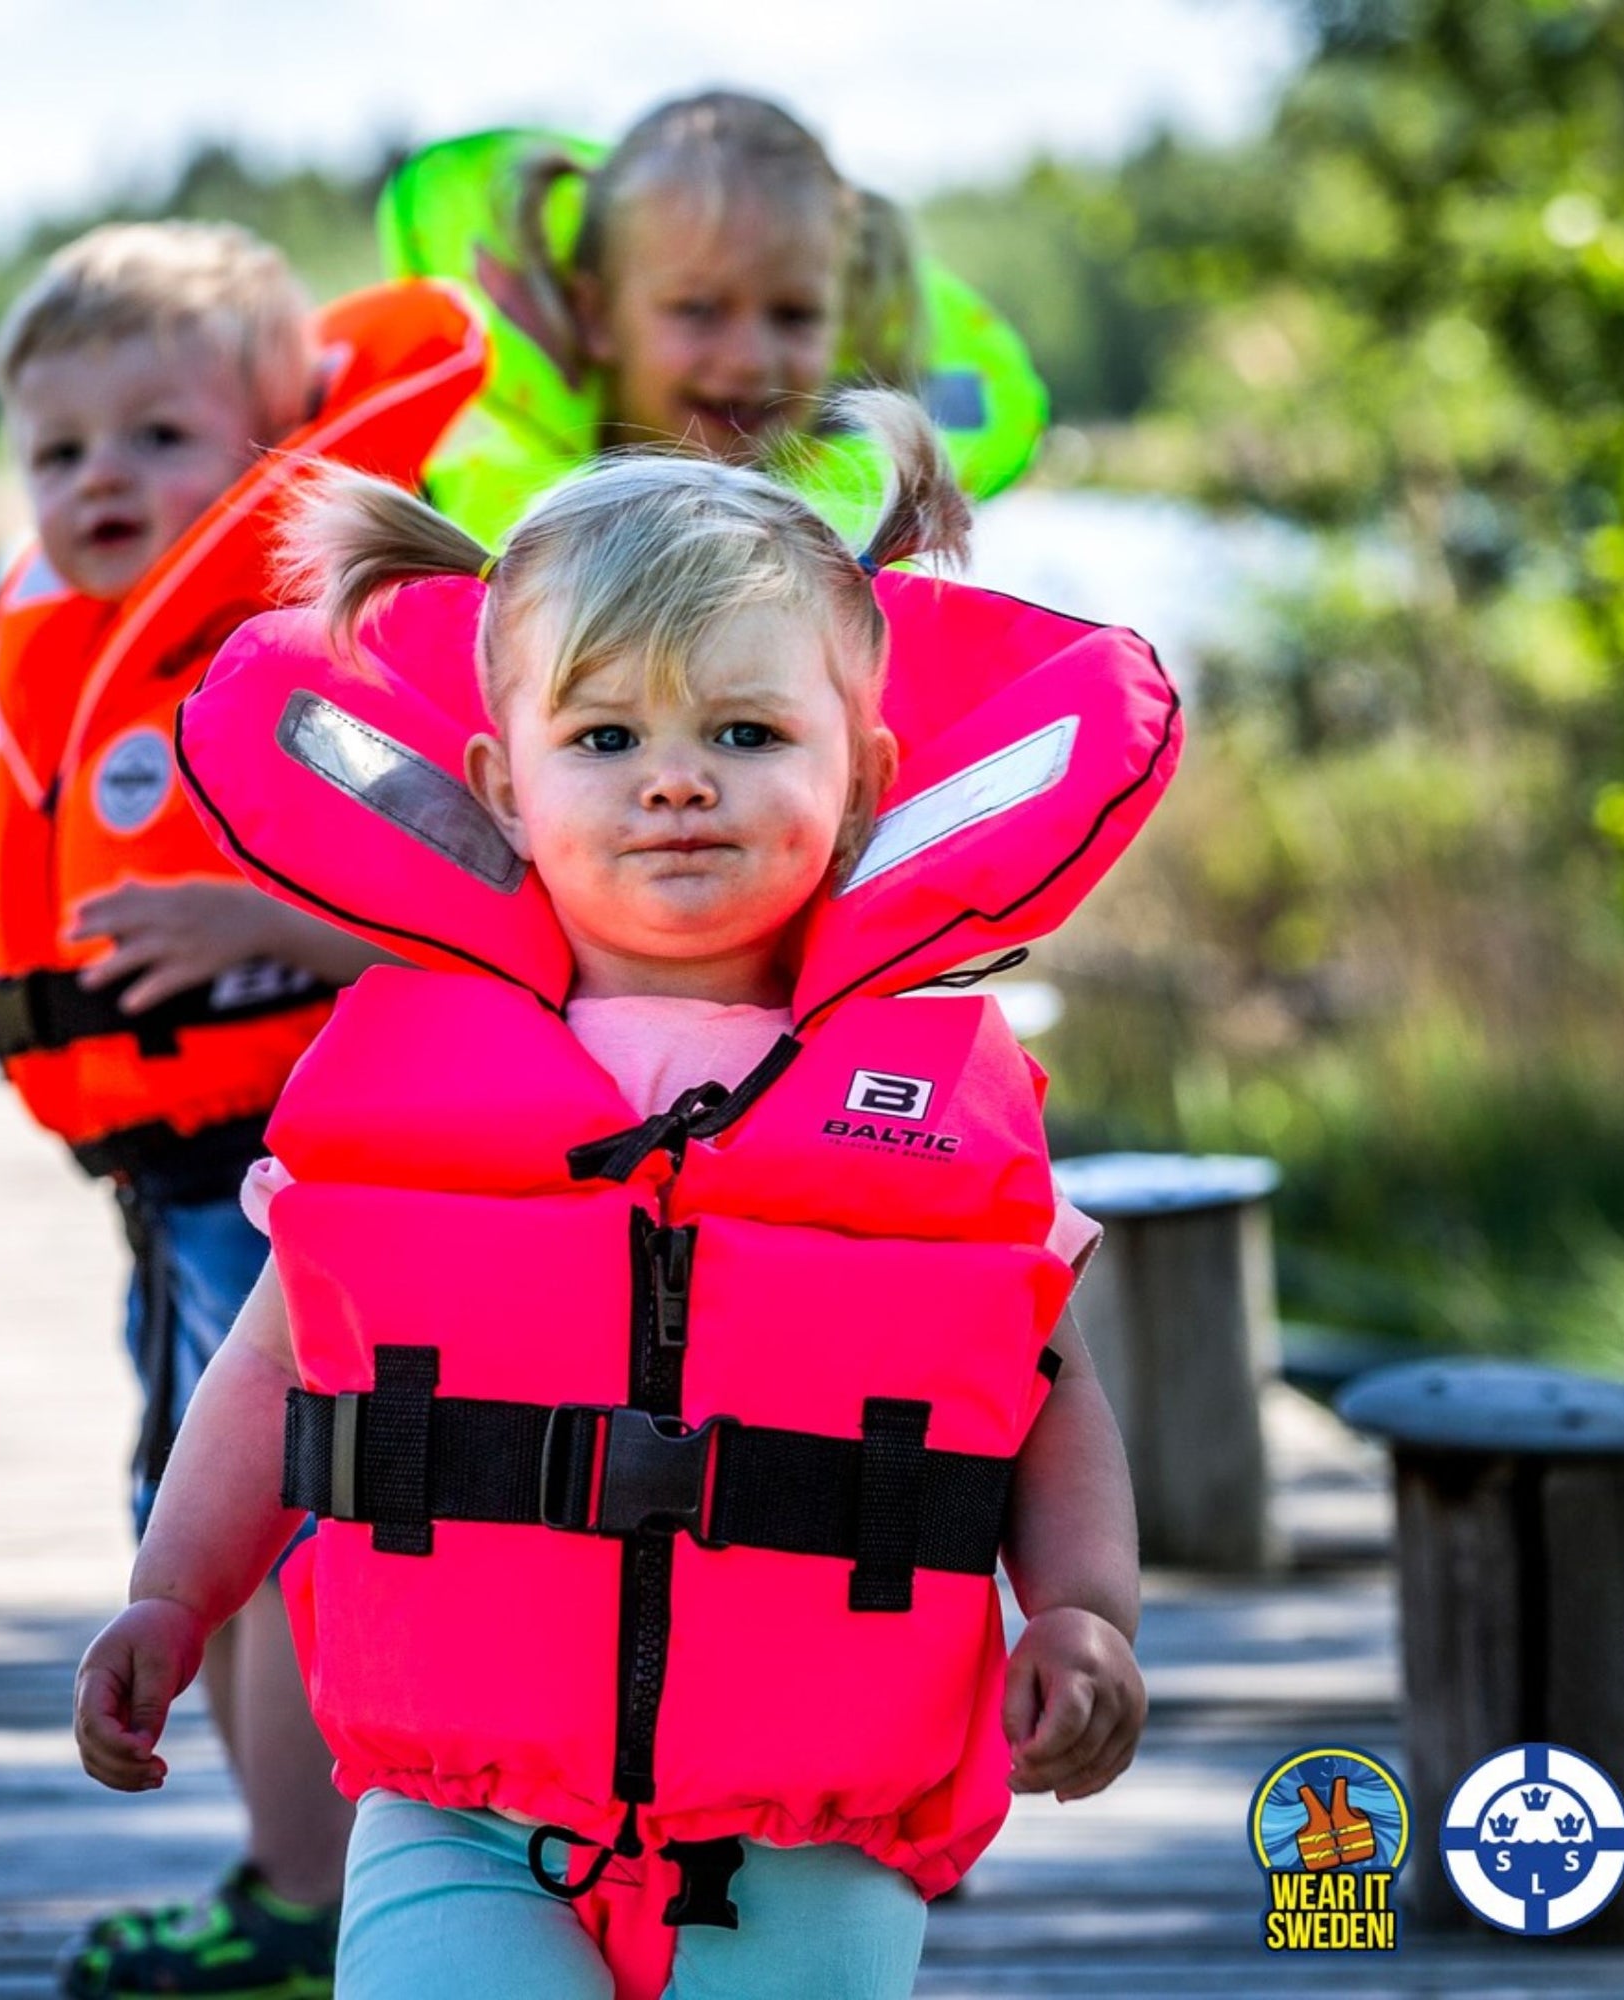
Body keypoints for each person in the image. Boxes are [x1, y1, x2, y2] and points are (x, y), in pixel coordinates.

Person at [73, 390, 1171, 1999]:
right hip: (455, 1810)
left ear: (862, 776)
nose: (676, 784)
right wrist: (172, 1597)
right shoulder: (404, 1083)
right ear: (502, 785)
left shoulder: (928, 1092)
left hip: (811, 1823)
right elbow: (271, 1364)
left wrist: (1085, 1614)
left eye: (744, 734)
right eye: (605, 739)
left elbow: (1045, 1386)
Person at [0, 221, 485, 2000]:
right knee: (227, 1540)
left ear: (279, 453)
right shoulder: (100, 642)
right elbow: (108, 895)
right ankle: (296, 1885)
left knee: (273, 1548)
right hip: (175, 1189)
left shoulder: (333, 642)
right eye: (58, 449)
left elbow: (493, 903)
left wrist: (274, 925)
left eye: (160, 437)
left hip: (296, 1190)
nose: (100, 476)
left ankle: (303, 1905)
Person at [378, 89, 1050, 544]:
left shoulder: (872, 537)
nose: (750, 359)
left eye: (794, 315)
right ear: (597, 315)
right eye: (698, 310)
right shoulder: (452, 516)